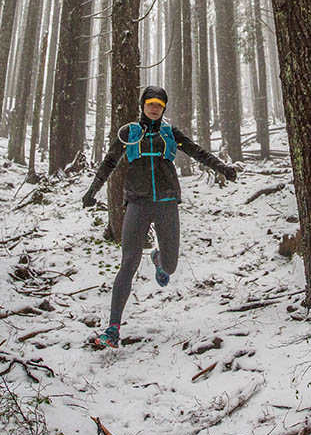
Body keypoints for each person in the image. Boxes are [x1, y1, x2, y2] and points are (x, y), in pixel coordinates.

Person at [81, 85, 238, 348]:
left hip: (166, 202)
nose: (154, 107)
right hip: (138, 203)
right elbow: (109, 162)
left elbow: (196, 151)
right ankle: (112, 330)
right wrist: (92, 190)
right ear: (142, 105)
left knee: (171, 266)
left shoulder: (170, 133)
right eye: (150, 103)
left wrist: (221, 168)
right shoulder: (129, 133)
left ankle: (158, 260)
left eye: (159, 104)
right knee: (128, 263)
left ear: (164, 108)